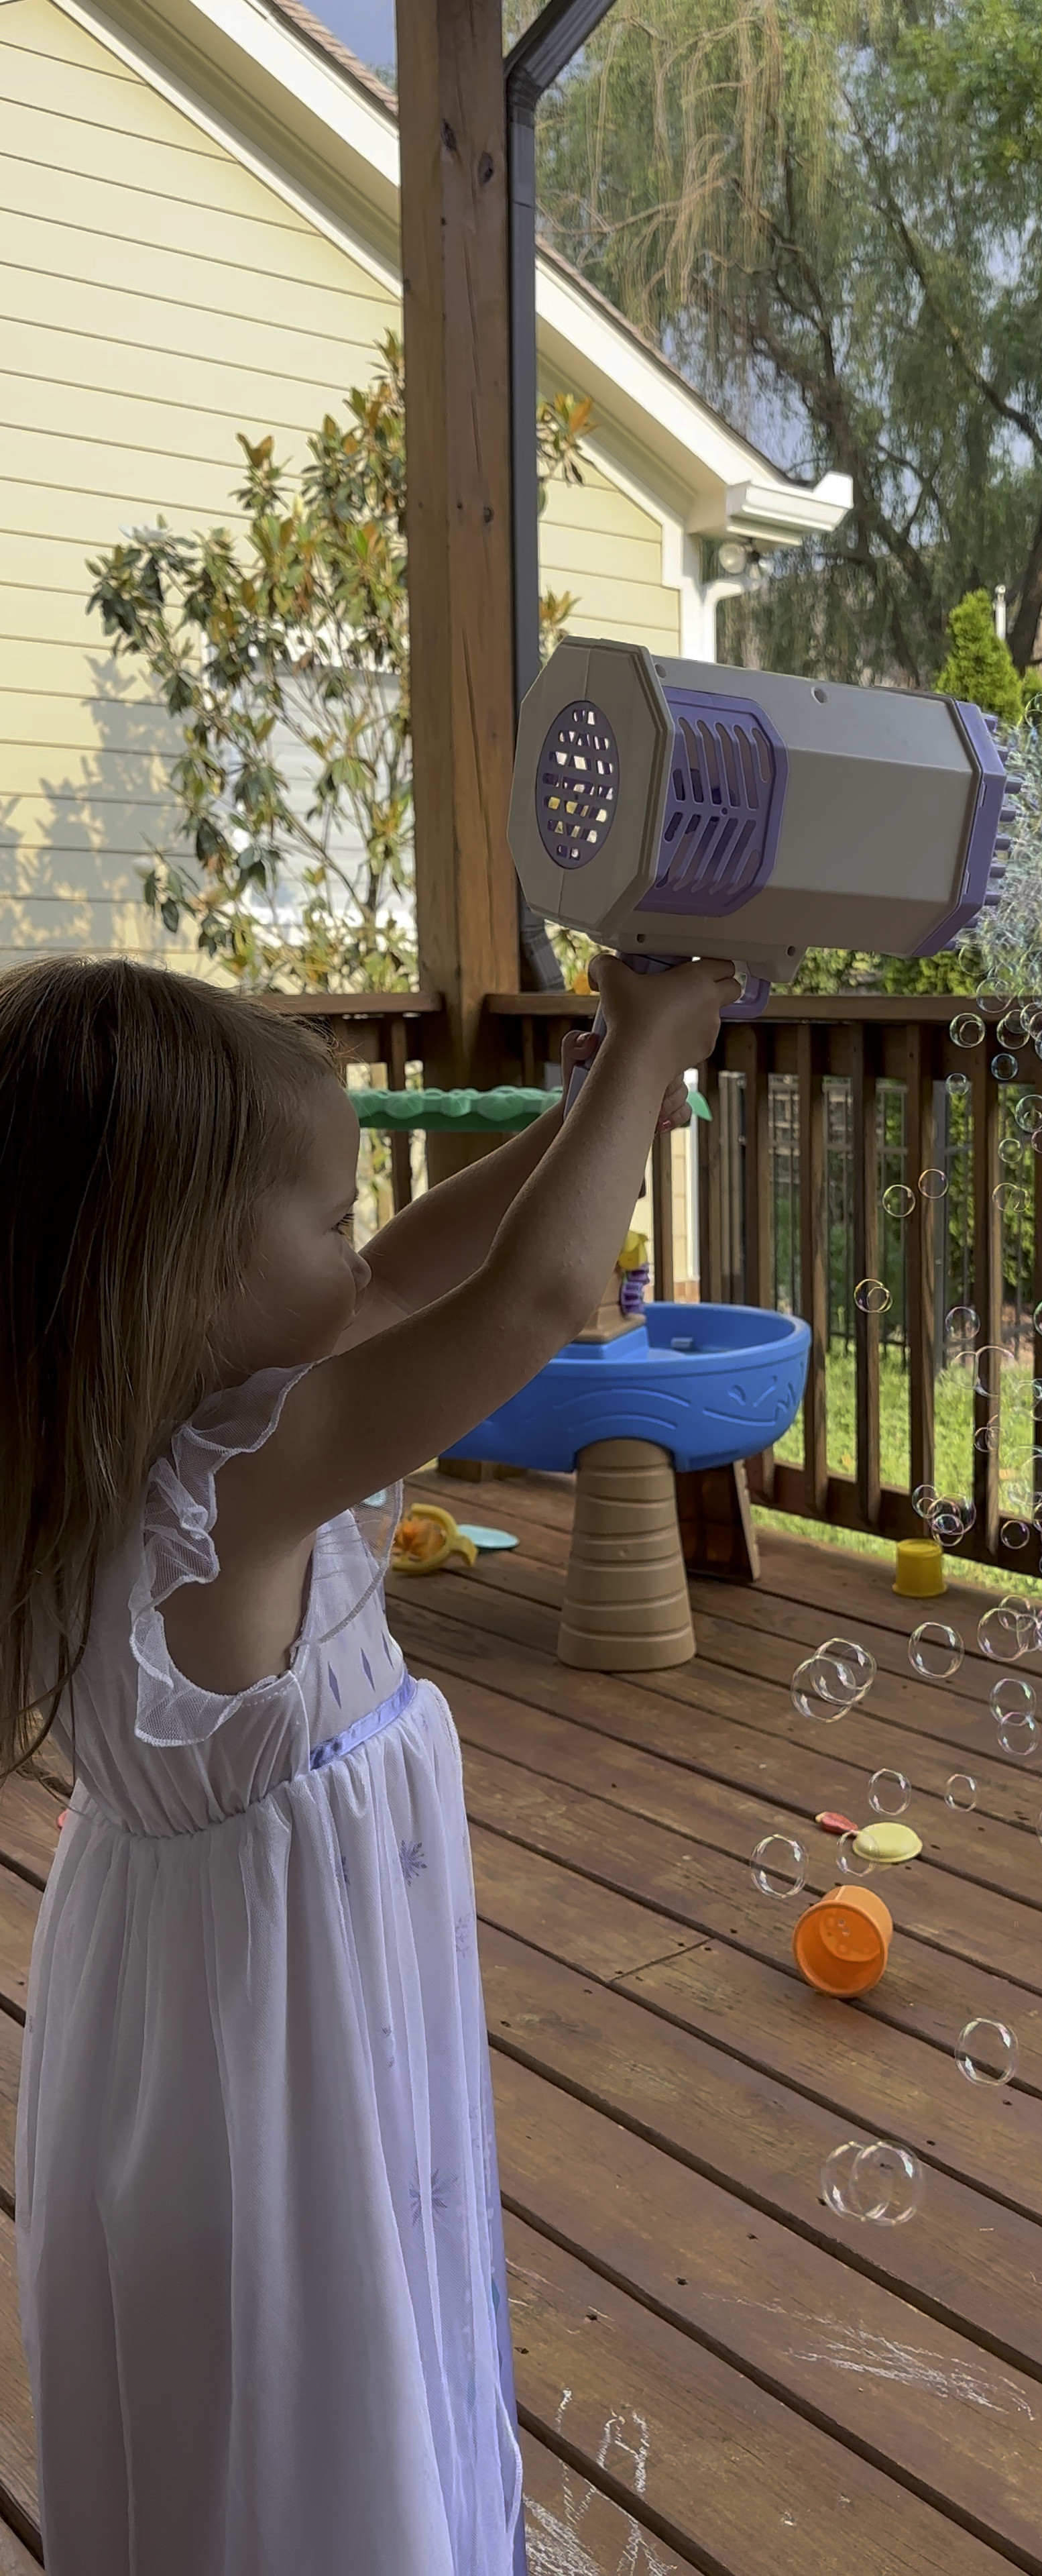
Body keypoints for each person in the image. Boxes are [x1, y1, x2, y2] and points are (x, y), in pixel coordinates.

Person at [1, 949, 737, 2576]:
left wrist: (593, 1094)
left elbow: (409, 1271)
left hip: (198, 2022)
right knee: (308, 2373)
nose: (361, 1250)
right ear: (179, 1268)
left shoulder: (125, 1440)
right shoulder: (241, 1478)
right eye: (322, 1220)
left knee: (240, 2400)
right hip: (275, 2046)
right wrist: (662, 1043)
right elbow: (534, 1301)